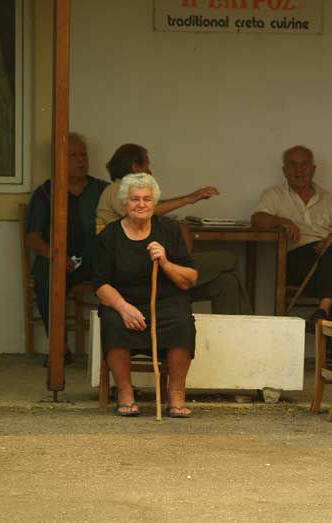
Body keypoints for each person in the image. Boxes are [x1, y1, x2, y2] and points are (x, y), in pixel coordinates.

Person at [96, 143, 251, 315]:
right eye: (147, 164)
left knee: (226, 282)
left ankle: (242, 331)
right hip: (139, 269)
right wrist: (189, 199)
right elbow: (148, 210)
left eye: (147, 199)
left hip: (161, 270)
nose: (150, 171)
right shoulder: (117, 190)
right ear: (135, 166)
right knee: (228, 259)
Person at [93, 173, 197, 417]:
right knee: (112, 322)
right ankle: (125, 393)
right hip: (124, 301)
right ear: (124, 204)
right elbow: (100, 284)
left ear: (154, 202)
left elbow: (190, 278)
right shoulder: (110, 236)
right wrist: (122, 307)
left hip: (165, 301)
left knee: (182, 321)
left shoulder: (169, 230)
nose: (141, 204)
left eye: (147, 199)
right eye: (135, 199)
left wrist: (165, 262)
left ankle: (176, 394)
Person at [25, 132, 109, 362]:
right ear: (59, 160)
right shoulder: (45, 193)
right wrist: (56, 256)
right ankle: (58, 348)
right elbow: (32, 237)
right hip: (61, 260)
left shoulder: (103, 190)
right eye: (74, 155)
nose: (81, 160)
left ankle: (115, 350)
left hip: (97, 261)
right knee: (44, 273)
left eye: (84, 155)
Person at [251, 145, 332, 332]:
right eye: (293, 164)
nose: (299, 170)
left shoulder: (328, 199)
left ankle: (322, 311)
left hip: (326, 263)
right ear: (284, 170)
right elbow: (257, 220)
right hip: (295, 262)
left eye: (304, 164)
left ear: (313, 169)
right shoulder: (274, 195)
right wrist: (281, 220)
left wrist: (330, 241)